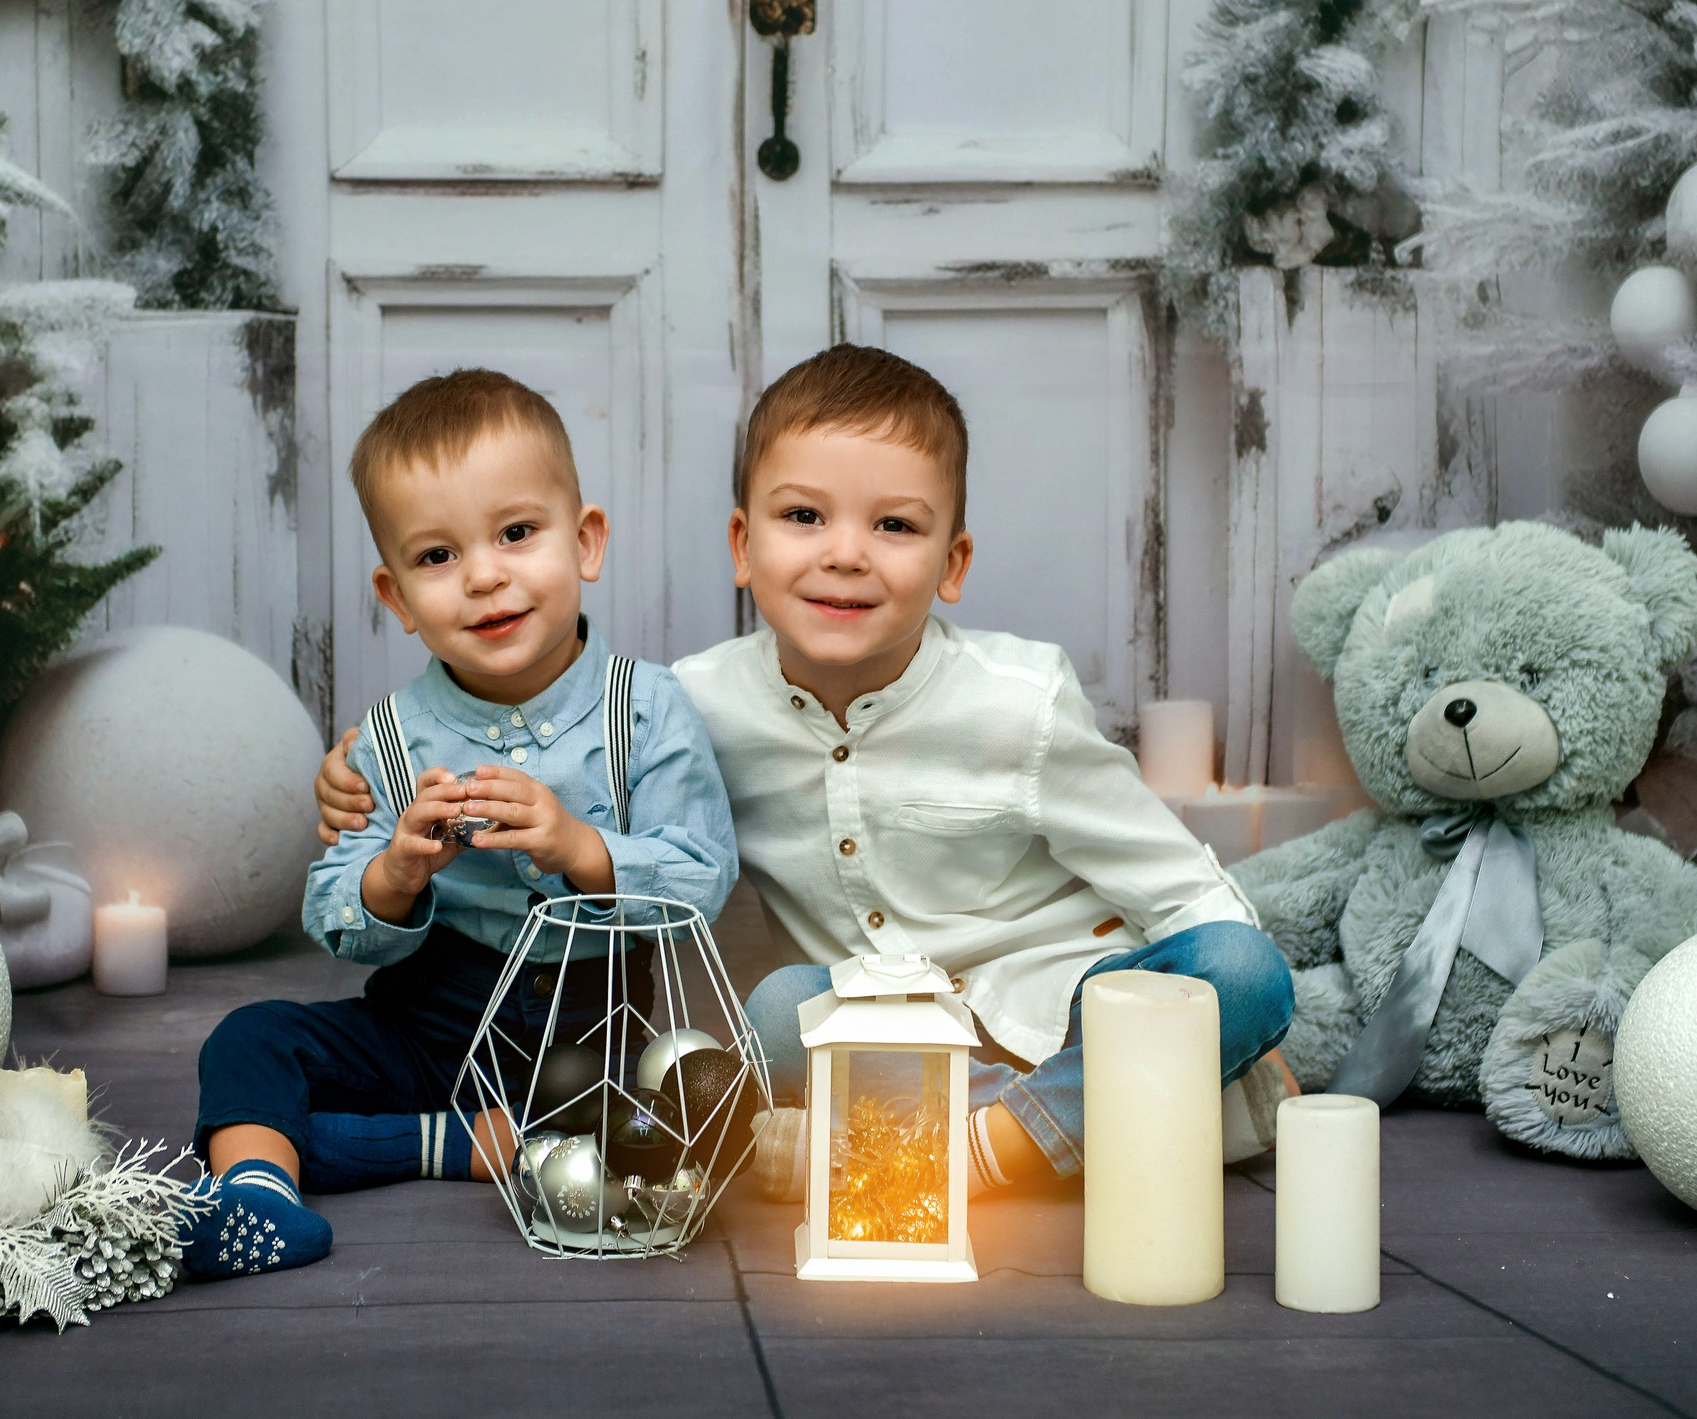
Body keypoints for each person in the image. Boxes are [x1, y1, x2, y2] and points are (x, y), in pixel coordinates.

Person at [675, 345, 1296, 1195]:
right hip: (894, 1032)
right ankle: (1095, 1130)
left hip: (1070, 1004)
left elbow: (1179, 885)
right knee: (780, 1014)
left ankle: (968, 1158)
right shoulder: (694, 707)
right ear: (744, 544)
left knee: (1244, 967)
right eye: (804, 516)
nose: (846, 553)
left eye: (894, 525)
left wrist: (1243, 1026)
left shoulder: (1019, 700)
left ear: (953, 563)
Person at [180, 369, 738, 1279]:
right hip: (428, 1026)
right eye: (437, 557)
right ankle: (259, 1197)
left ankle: (396, 1148)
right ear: (396, 596)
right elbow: (334, 918)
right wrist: (397, 873)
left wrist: (577, 846)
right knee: (251, 1040)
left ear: (586, 541)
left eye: (517, 534)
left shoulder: (646, 709)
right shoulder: (390, 738)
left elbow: (703, 875)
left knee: (689, 1118)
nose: (484, 576)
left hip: (591, 1045)